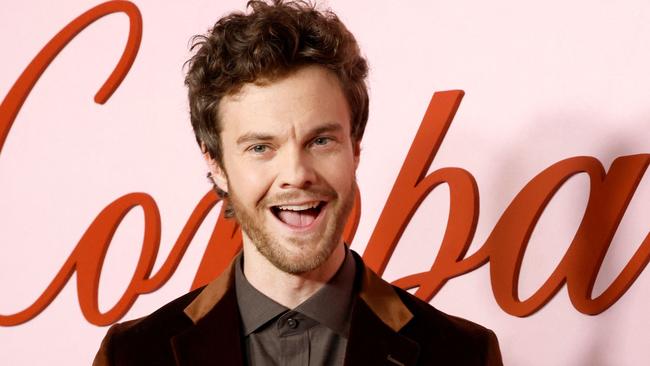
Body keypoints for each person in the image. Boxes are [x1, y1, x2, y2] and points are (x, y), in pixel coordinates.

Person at [93, 1, 503, 365]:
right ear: (216, 164)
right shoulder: (134, 355)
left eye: (321, 141)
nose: (296, 174)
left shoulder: (462, 354)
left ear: (354, 148)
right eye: (260, 147)